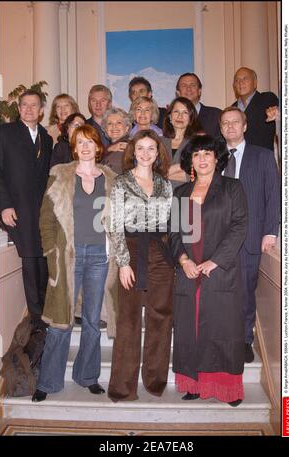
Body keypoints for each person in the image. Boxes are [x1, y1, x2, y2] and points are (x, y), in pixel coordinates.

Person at [32, 124, 117, 402]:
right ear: (74, 146)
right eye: (79, 142)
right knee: (60, 321)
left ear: (97, 146)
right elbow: (45, 219)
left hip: (99, 257)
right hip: (68, 256)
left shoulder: (111, 179)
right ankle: (48, 381)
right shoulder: (60, 175)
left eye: (89, 142)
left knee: (93, 321)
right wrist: (51, 253)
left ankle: (87, 376)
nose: (85, 147)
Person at [169, 134, 248, 406]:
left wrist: (215, 261)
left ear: (217, 158)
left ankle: (226, 389)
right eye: (196, 154)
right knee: (190, 331)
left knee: (222, 330)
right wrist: (183, 261)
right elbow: (174, 234)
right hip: (189, 273)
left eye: (207, 154)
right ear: (190, 160)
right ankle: (194, 384)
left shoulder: (231, 188)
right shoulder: (180, 192)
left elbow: (239, 226)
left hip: (219, 272)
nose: (202, 159)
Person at [108, 130, 174, 402]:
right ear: (133, 152)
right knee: (129, 320)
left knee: (161, 316)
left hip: (160, 252)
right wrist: (123, 263)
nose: (146, 153)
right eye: (141, 148)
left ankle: (155, 380)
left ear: (158, 153)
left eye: (151, 148)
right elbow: (114, 225)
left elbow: (170, 225)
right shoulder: (121, 183)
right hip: (132, 252)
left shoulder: (165, 184)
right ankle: (123, 387)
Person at [219, 106, 280, 362]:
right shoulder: (213, 157)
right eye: (225, 123)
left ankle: (244, 339)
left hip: (251, 236)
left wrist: (270, 231)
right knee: (219, 291)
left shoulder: (263, 156)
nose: (230, 126)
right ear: (220, 128)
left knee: (244, 290)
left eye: (235, 122)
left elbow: (273, 195)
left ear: (245, 126)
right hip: (218, 237)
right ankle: (222, 337)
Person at [0, 90, 53, 329]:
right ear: (19, 108)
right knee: (30, 259)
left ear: (41, 111)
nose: (29, 109)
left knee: (42, 259)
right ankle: (36, 317)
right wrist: (4, 206)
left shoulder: (46, 137)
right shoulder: (4, 133)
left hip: (41, 211)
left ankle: (44, 313)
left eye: (34, 105)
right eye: (24, 105)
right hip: (16, 208)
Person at [232, 67, 279, 151]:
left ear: (255, 83)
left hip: (262, 158)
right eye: (237, 80)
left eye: (245, 78)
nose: (240, 82)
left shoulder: (267, 99)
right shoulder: (232, 109)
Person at [162, 97, 204, 189]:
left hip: (188, 197)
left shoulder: (197, 143)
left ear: (190, 118)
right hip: (159, 197)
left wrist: (162, 174)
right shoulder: (158, 141)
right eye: (176, 111)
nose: (180, 116)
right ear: (170, 116)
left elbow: (198, 174)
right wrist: (182, 168)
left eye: (185, 112)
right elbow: (149, 171)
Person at [176, 72, 221, 137]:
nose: (188, 88)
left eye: (193, 85)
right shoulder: (171, 118)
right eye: (184, 85)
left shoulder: (216, 115)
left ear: (199, 91)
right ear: (178, 93)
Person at [101, 107, 132, 174]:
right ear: (105, 129)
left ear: (127, 128)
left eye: (119, 123)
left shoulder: (124, 146)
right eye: (110, 123)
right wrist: (108, 150)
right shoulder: (111, 147)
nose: (114, 126)